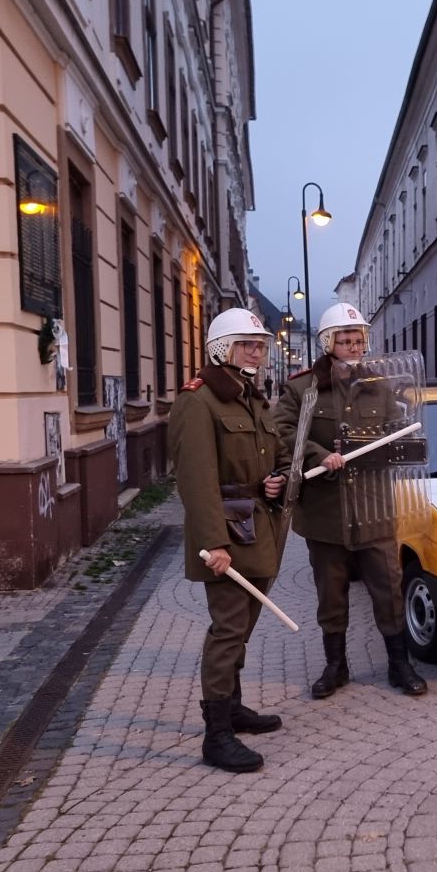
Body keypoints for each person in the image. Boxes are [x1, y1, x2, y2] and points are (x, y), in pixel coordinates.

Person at [274, 302, 427, 699]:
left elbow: (398, 431)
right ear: (328, 343)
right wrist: (318, 455)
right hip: (326, 512)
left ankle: (399, 664)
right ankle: (336, 666)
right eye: (345, 341)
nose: (354, 347)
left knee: (388, 590)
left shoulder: (379, 386)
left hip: (374, 509)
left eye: (358, 340)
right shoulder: (302, 388)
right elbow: (281, 432)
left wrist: (401, 441)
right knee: (331, 594)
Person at [168, 307, 290, 773]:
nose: (256, 352)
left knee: (244, 627)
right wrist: (213, 543)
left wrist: (277, 479)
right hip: (226, 535)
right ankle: (216, 736)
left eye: (260, 345)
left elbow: (273, 456)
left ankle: (233, 707)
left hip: (258, 530)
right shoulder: (198, 401)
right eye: (247, 345)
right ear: (222, 348)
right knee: (227, 631)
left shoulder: (251, 398)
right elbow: (195, 480)